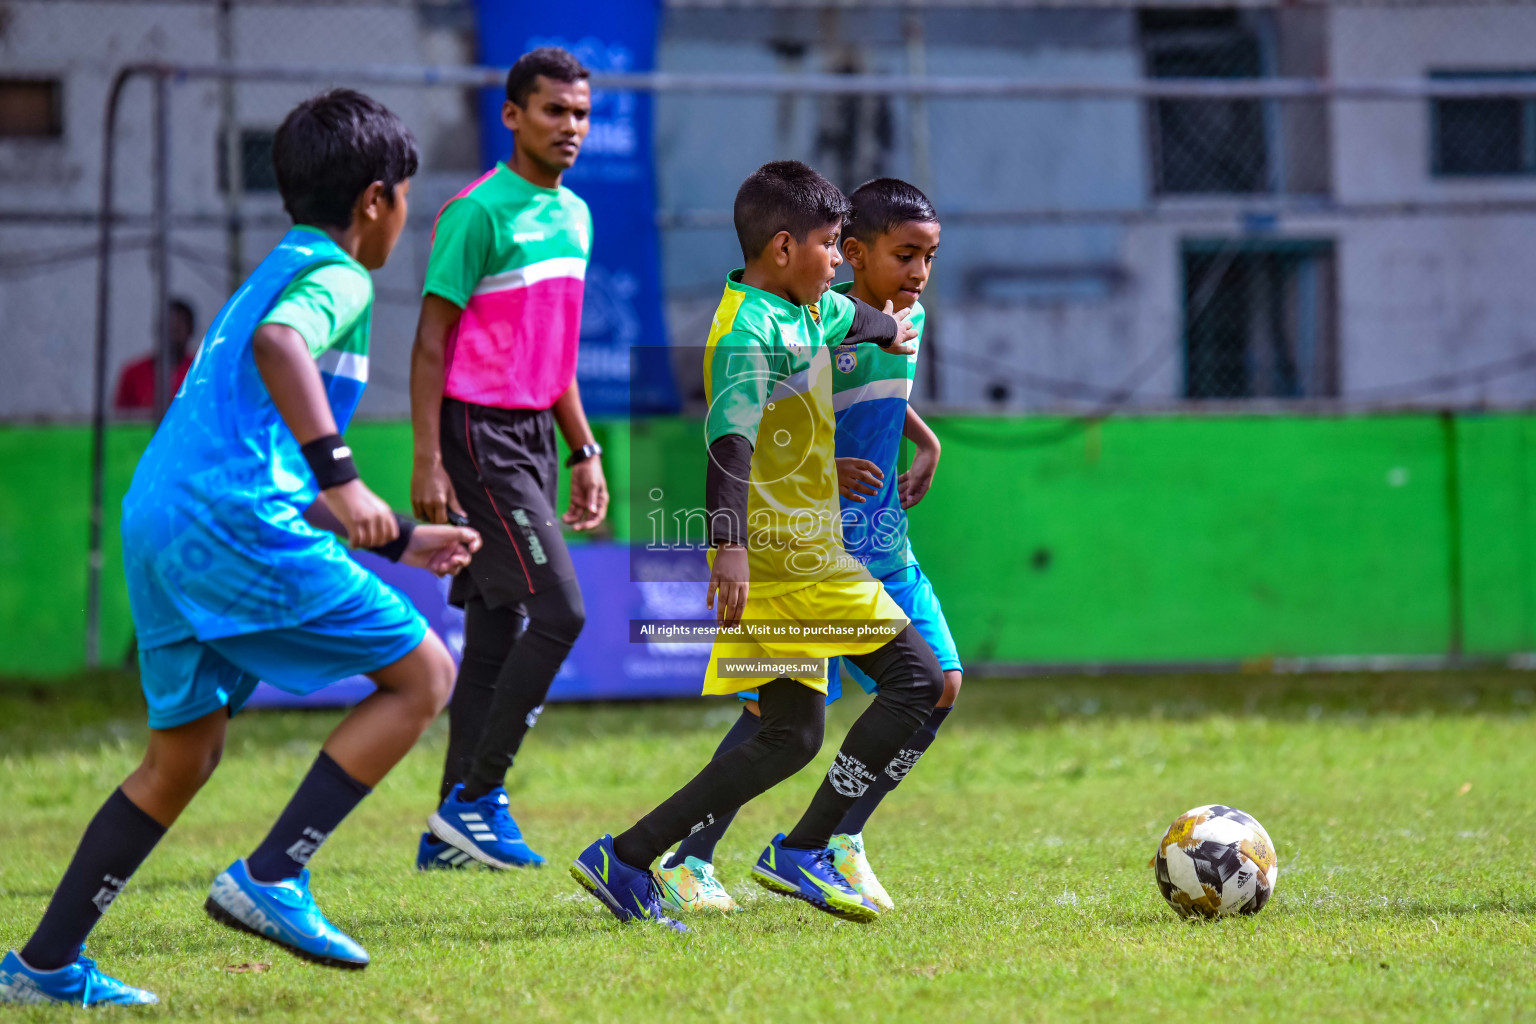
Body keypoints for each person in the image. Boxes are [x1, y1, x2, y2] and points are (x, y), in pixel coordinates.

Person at [0, 89, 481, 1007]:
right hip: (228, 521)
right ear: (377, 199)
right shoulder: (337, 274)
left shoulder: (274, 266)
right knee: (423, 677)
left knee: (180, 758)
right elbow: (281, 348)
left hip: (164, 518)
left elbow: (249, 447)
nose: (405, 217)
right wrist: (342, 475)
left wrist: (402, 538)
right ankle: (274, 875)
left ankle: (45, 965)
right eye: (408, 197)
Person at [570, 161, 943, 931]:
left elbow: (855, 322)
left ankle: (628, 857)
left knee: (790, 736)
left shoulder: (800, 310)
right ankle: (807, 848)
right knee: (916, 679)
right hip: (788, 557)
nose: (839, 261)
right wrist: (728, 548)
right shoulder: (746, 331)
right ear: (782, 247)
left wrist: (893, 326)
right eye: (831, 245)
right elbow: (728, 445)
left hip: (797, 555)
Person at [409, 47, 606, 873]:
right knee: (561, 611)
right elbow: (429, 343)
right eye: (554, 111)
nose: (571, 127)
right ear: (513, 116)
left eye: (582, 114)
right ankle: (480, 797)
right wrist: (428, 459)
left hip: (535, 435)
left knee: (496, 629)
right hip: (479, 433)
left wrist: (584, 448)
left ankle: (448, 837)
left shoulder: (578, 216)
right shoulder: (477, 212)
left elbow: (554, 354)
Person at [113, 298, 197, 413]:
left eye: (177, 329)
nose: (172, 335)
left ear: (190, 330)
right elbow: (120, 420)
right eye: (167, 328)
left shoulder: (202, 371)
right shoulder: (133, 373)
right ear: (157, 330)